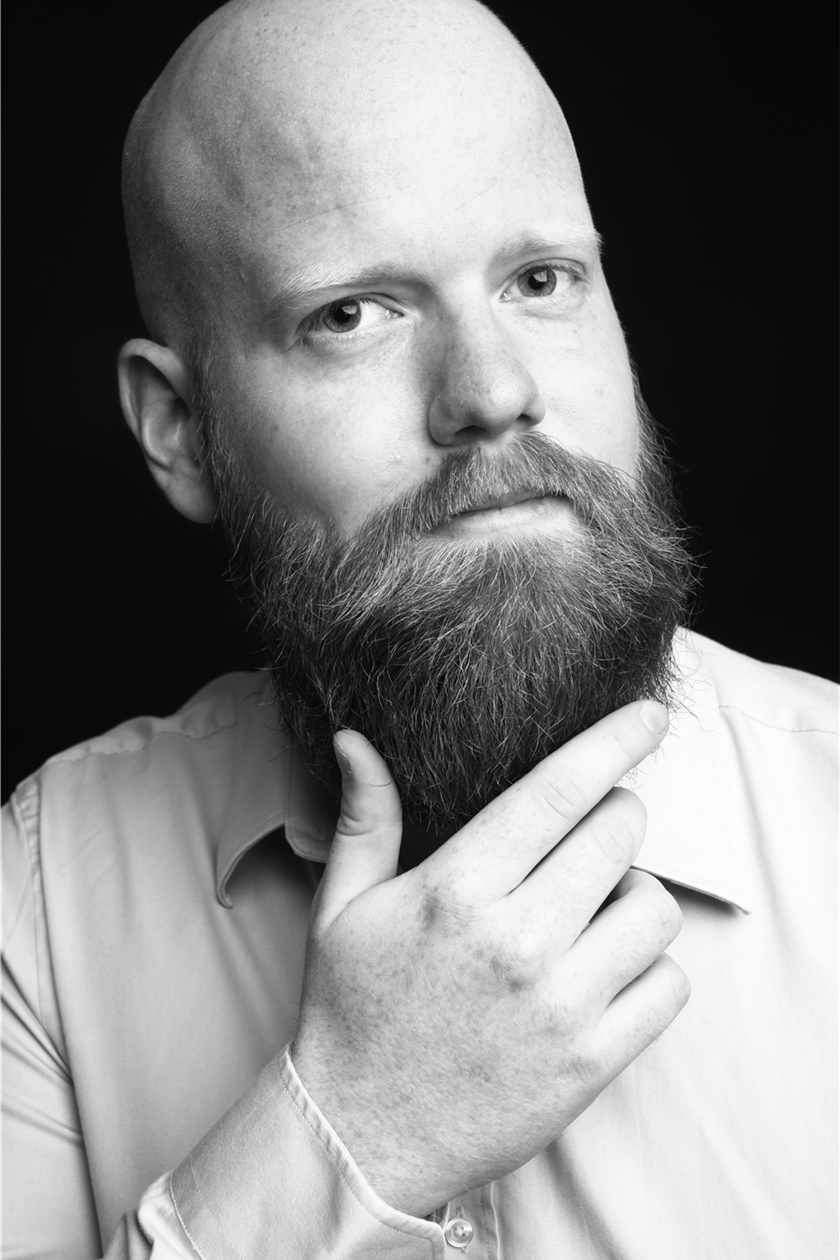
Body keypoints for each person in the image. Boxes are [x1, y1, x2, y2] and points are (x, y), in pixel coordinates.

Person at [2, 0, 836, 1256]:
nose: (493, 392)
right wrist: (355, 1132)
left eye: (540, 281)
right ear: (179, 431)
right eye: (351, 314)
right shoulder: (41, 900)